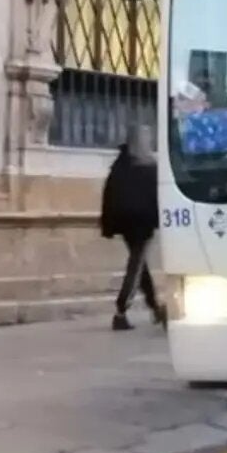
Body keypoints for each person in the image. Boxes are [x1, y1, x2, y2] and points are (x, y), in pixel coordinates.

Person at [100, 124, 165, 331]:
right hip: (141, 225)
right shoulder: (148, 167)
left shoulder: (120, 165)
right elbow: (156, 198)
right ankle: (121, 310)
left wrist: (109, 224)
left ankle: (155, 307)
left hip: (125, 224)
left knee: (140, 266)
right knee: (136, 267)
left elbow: (109, 196)